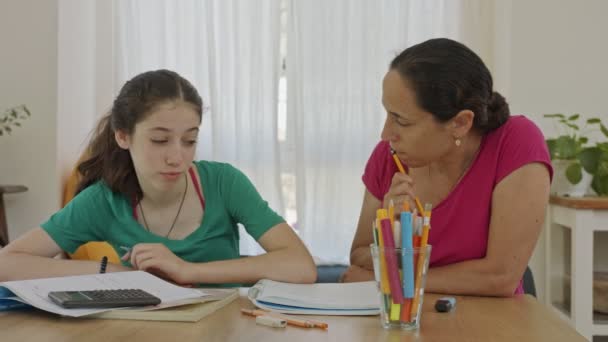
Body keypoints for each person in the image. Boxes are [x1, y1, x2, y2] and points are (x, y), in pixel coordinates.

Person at [0, 69, 317, 286]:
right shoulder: (104, 200)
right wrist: (111, 272)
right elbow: (8, 263)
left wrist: (186, 269)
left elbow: (300, 266)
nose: (177, 156)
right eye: (160, 140)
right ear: (123, 137)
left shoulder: (224, 182)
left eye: (189, 140)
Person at [343, 38, 552, 296]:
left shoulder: (516, 142)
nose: (386, 134)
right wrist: (393, 236)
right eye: (387, 113)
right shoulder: (388, 156)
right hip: (406, 323)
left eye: (401, 120)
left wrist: (390, 279)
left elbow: (500, 277)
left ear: (461, 123)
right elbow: (359, 256)